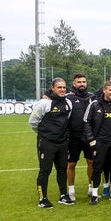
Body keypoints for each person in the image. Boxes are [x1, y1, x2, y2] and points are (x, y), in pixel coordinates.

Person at [29, 78, 74, 208]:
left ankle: (63, 196)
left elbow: (67, 122)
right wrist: (44, 134)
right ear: (53, 88)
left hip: (62, 143)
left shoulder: (68, 103)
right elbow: (33, 121)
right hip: (47, 142)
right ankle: (43, 199)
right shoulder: (44, 103)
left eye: (64, 87)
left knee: (62, 169)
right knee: (45, 170)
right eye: (59, 87)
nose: (62, 90)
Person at [84, 81, 111, 205]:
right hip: (100, 142)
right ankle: (94, 194)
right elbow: (86, 122)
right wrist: (92, 141)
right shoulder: (94, 105)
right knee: (97, 169)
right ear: (104, 90)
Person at [65, 74, 95, 202]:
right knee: (71, 163)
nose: (82, 84)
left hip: (89, 136)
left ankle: (91, 187)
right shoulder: (68, 98)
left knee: (91, 162)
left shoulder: (92, 97)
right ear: (74, 83)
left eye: (84, 81)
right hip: (73, 137)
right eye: (79, 82)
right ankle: (71, 190)